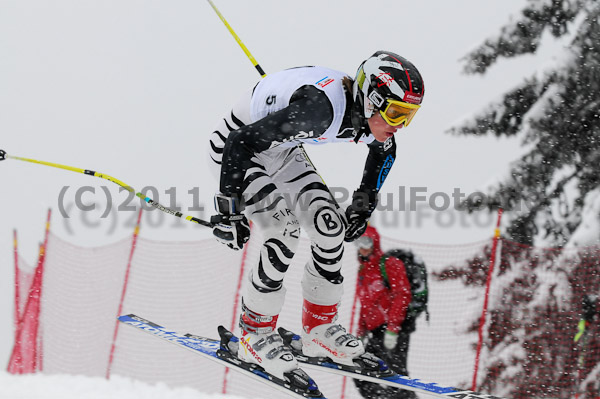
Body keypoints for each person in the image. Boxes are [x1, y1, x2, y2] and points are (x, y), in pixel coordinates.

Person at [207, 51, 425, 382]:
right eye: (396, 113)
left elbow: (385, 152)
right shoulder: (318, 111)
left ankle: (318, 329)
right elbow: (239, 142)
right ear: (372, 100)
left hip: (281, 150)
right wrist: (230, 211)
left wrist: (361, 206)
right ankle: (254, 334)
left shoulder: (369, 117)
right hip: (235, 152)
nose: (401, 126)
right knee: (283, 231)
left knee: (329, 227)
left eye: (409, 116)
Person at [354, 225, 427, 399]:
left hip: (394, 330)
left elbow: (402, 295)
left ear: (374, 243)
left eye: (367, 242)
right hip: (374, 332)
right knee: (360, 371)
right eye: (359, 242)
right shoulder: (364, 271)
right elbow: (365, 305)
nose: (362, 247)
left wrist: (393, 329)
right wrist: (360, 332)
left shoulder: (389, 264)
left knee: (396, 378)